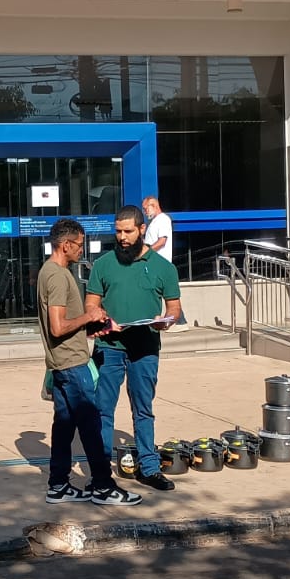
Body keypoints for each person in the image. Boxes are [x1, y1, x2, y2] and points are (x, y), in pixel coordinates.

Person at [38, 218, 141, 506]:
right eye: (79, 245)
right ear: (65, 245)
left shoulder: (48, 271)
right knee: (91, 426)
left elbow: (65, 325)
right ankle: (103, 486)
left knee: (64, 427)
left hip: (62, 363)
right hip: (72, 365)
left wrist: (96, 326)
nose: (81, 250)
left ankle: (58, 485)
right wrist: (90, 315)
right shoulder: (57, 276)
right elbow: (58, 327)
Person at [86, 203, 184, 491]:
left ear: (142, 229)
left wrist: (165, 321)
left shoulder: (163, 268)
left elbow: (174, 308)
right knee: (102, 410)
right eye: (118, 231)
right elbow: (91, 304)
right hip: (109, 346)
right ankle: (100, 473)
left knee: (143, 409)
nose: (122, 237)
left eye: (128, 231)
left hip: (145, 348)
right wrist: (103, 319)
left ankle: (149, 468)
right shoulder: (104, 264)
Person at [142, 195, 190, 332]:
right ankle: (178, 321)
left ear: (154, 205)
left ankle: (179, 322)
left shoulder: (163, 219)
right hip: (153, 263)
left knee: (166, 294)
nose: (145, 212)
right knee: (161, 292)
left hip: (160, 263)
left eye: (146, 208)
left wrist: (146, 252)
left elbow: (162, 241)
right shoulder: (154, 222)